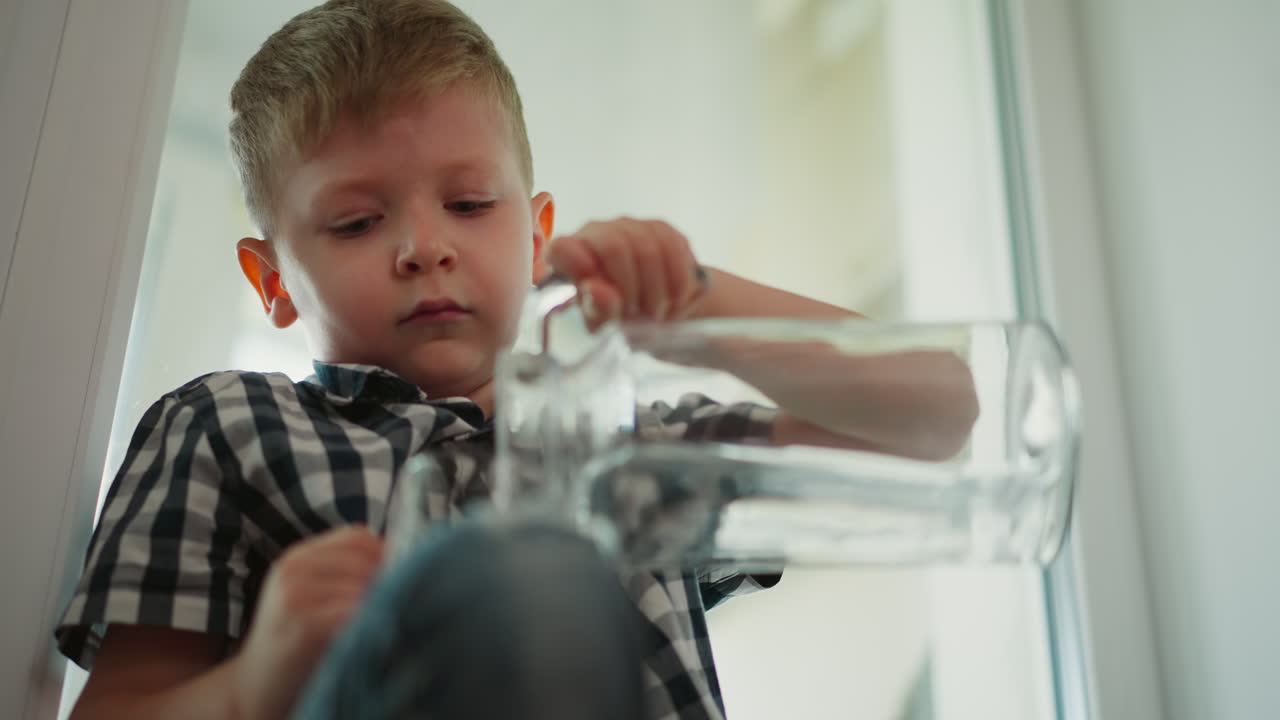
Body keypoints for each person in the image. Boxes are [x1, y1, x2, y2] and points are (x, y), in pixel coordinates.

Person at [55, 1, 978, 718]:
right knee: (520, 576)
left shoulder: (627, 447)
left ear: (537, 238)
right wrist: (257, 685)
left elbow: (940, 416)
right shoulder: (225, 426)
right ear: (273, 282)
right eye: (357, 221)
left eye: (468, 204)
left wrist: (701, 305)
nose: (424, 247)